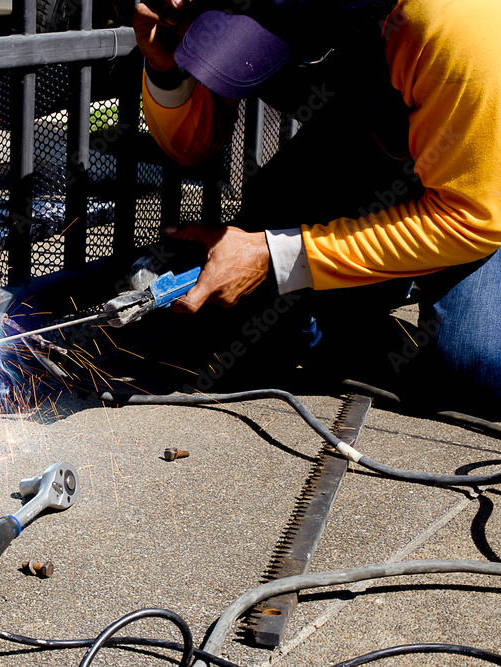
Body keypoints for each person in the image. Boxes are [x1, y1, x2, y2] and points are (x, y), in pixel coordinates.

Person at [132, 0, 501, 414]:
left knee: (479, 366)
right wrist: (167, 71)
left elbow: (471, 218)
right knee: (252, 322)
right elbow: (193, 149)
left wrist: (277, 253)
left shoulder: (455, 20)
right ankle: (364, 301)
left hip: (483, 181)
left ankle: (385, 299)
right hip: (381, 138)